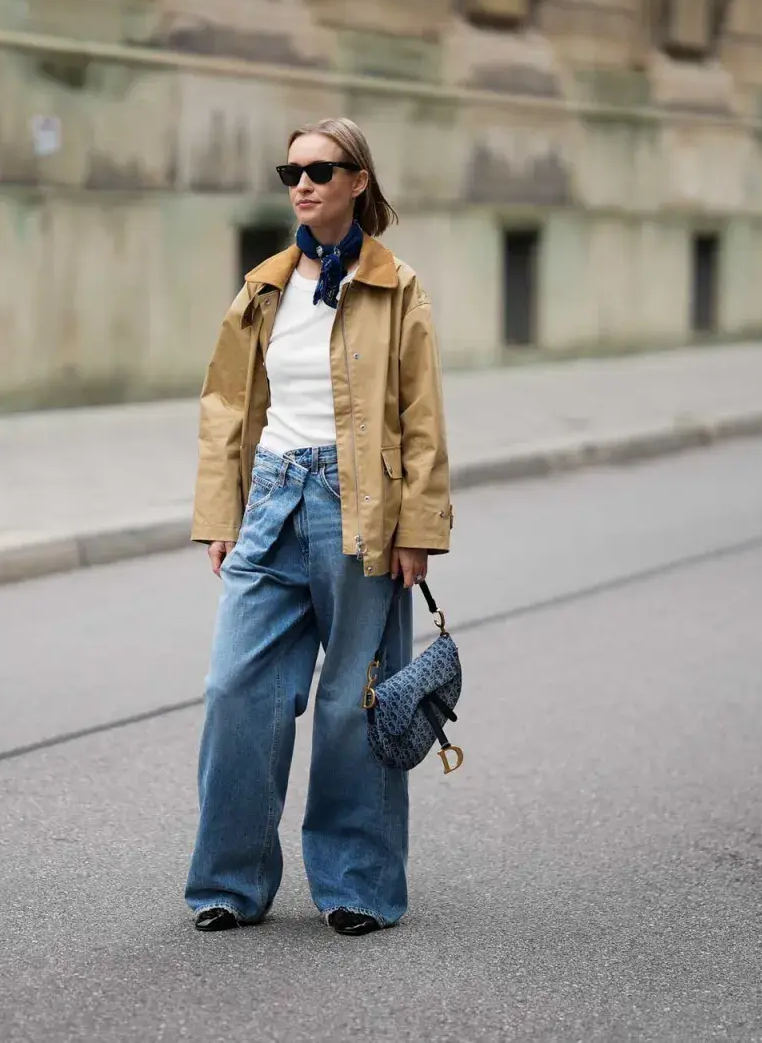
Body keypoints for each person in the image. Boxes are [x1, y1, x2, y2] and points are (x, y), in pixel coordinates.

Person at [184, 117, 453, 936]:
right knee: (237, 690)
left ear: (358, 181)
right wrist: (221, 512)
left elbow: (420, 413)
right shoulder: (263, 285)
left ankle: (356, 884)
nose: (302, 184)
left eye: (320, 170)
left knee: (350, 703)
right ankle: (230, 882)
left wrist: (418, 527)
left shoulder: (395, 286)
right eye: (291, 171)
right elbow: (228, 404)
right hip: (272, 496)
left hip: (360, 504)